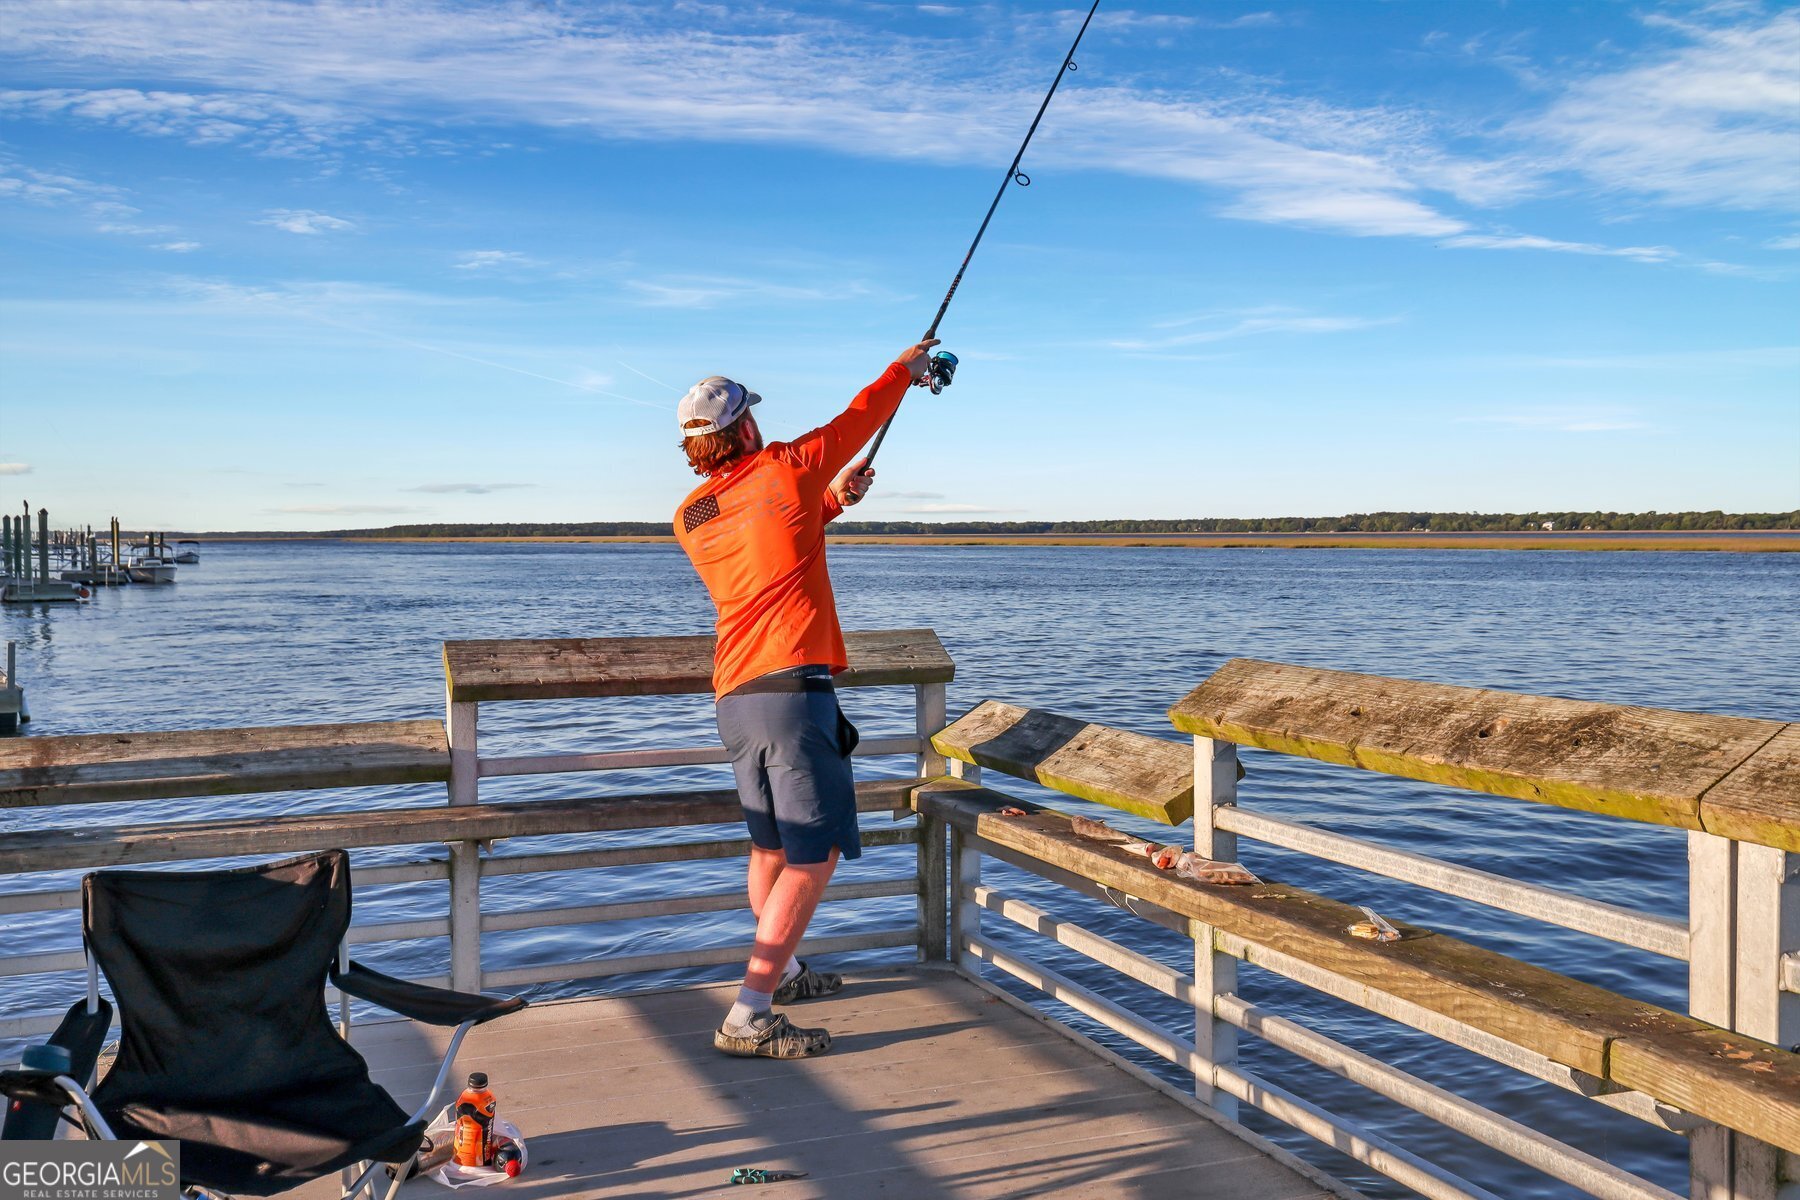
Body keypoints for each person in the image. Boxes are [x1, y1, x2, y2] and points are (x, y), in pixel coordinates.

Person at [672, 339, 939, 1059]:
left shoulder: (692, 512)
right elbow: (861, 415)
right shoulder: (785, 464)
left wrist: (831, 501)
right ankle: (749, 1012)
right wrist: (906, 370)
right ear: (746, 429)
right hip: (792, 690)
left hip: (736, 696)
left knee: (768, 845)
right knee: (811, 858)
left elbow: (777, 536)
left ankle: (782, 974)